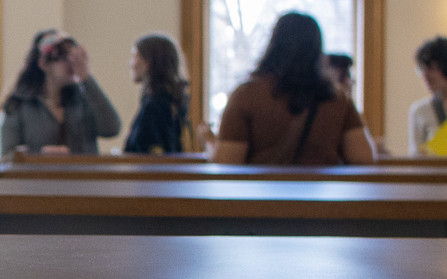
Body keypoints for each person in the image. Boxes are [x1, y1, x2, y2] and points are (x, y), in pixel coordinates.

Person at [213, 10, 375, 166]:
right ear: (317, 50)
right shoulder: (336, 99)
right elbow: (363, 158)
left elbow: (227, 162)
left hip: (262, 192)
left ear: (273, 45)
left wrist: (208, 143)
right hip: (322, 192)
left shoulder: (246, 96)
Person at [0, 29, 121, 155]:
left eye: (72, 56)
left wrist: (85, 78)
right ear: (43, 63)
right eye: (62, 56)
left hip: (82, 174)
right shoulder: (19, 104)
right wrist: (40, 156)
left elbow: (112, 129)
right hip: (38, 174)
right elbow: (6, 155)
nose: (70, 62)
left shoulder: (85, 98)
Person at [123, 34, 192, 156]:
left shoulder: (154, 107)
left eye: (135, 56)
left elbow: (147, 153)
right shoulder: (171, 103)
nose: (131, 63)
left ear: (148, 62)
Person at [408, 36, 447, 154]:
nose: (425, 75)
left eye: (432, 68)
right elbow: (416, 157)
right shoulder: (420, 111)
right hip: (433, 171)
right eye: (422, 69)